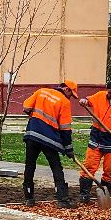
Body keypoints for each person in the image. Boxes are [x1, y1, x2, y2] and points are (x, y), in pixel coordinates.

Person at [22, 79, 78, 208]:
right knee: (56, 167)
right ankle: (62, 200)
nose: (71, 97)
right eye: (71, 94)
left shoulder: (41, 91)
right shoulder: (64, 102)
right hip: (49, 140)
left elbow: (26, 107)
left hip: (32, 135)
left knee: (29, 166)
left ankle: (28, 198)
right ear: (66, 89)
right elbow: (65, 129)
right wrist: (69, 149)